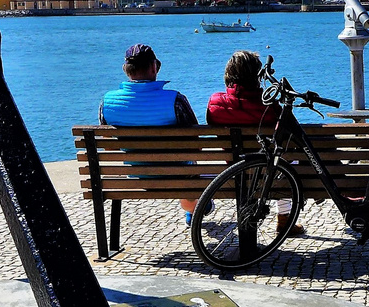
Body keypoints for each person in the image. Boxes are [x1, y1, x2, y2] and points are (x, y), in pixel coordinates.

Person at [206, 50, 302, 237]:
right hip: (268, 175)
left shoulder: (216, 104)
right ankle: (284, 217)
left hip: (231, 173)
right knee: (283, 162)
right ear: (258, 76)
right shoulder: (269, 106)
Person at [100, 43, 199, 221]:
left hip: (134, 174)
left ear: (126, 70)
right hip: (176, 175)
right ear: (154, 67)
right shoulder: (175, 100)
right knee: (189, 163)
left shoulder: (107, 103)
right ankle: (193, 207)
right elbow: (196, 141)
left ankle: (194, 206)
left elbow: (108, 145)